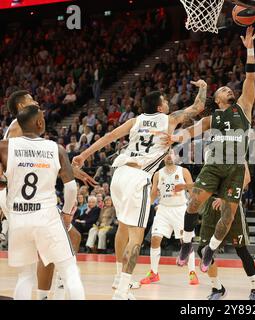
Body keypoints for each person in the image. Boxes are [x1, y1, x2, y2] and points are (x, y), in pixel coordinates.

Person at [72, 80, 208, 300]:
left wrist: (84, 155)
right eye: (165, 101)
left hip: (119, 174)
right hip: (138, 177)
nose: (168, 103)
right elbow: (198, 107)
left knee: (123, 228)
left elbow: (109, 137)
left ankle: (119, 278)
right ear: (159, 107)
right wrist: (202, 86)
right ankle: (123, 291)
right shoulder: (169, 120)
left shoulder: (136, 120)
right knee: (136, 236)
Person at [173, 27, 255, 272]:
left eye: (230, 89)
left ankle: (210, 248)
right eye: (223, 89)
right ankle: (187, 244)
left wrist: (249, 48)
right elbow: (189, 132)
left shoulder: (243, 107)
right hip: (214, 165)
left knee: (228, 218)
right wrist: (172, 138)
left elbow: (250, 77)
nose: (229, 90)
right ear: (217, 98)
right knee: (193, 205)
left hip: (235, 168)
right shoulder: (212, 118)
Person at [4, 90, 95, 300]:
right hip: (28, 201)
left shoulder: (19, 130)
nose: (35, 101)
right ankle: (52, 292)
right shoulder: (18, 129)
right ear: (20, 107)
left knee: (66, 241)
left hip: (22, 203)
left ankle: (50, 292)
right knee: (67, 241)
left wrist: (69, 169)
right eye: (30, 100)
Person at [191, 165, 255, 300]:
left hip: (231, 203)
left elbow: (246, 178)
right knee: (202, 250)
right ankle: (217, 288)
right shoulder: (211, 153)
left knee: (241, 250)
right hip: (211, 206)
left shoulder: (238, 153)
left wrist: (224, 197)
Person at [139, 150, 199, 286]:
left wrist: (195, 205)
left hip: (180, 209)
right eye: (165, 155)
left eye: (170, 154)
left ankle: (192, 272)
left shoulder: (183, 171)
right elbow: (153, 194)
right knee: (155, 239)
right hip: (163, 209)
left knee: (186, 242)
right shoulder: (157, 174)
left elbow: (192, 190)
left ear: (175, 156)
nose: (168, 157)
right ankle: (153, 273)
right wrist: (144, 207)